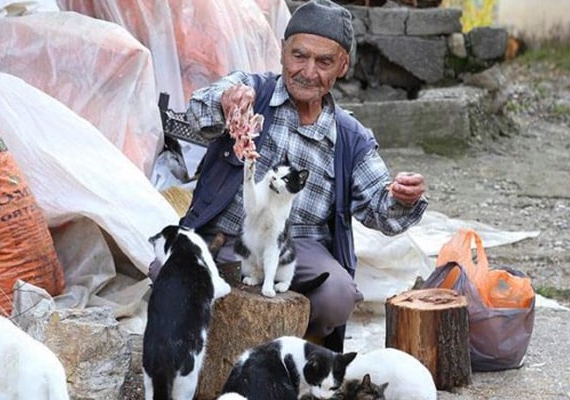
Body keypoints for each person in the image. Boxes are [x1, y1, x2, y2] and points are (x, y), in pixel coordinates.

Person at [175, 0, 427, 351]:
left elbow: (380, 208)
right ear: (282, 52)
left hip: (298, 248)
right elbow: (198, 111)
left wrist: (402, 197)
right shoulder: (252, 92)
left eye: (324, 62)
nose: (308, 71)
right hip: (226, 236)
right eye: (299, 56)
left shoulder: (349, 136)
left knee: (338, 296)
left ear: (343, 66)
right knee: (168, 273)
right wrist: (225, 103)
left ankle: (292, 353)